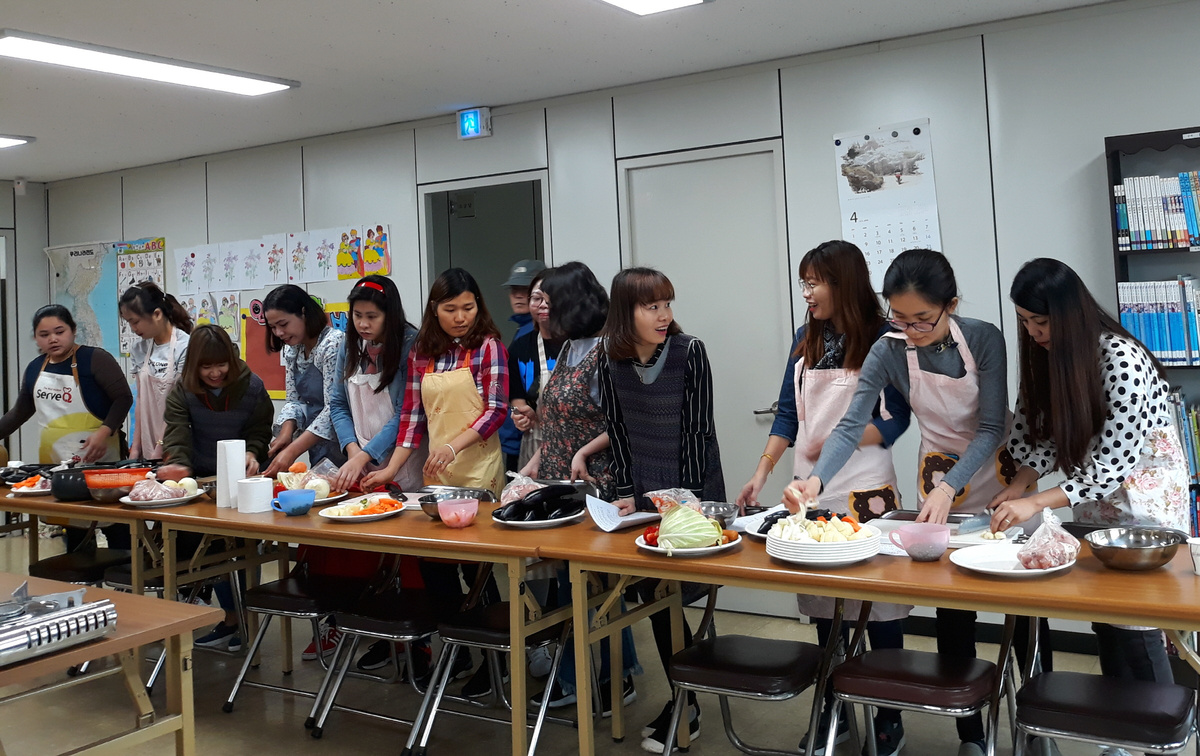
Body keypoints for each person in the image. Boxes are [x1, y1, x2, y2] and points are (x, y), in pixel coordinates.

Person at [787, 249, 1012, 756]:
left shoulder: (982, 338)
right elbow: (851, 425)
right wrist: (816, 481)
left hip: (993, 475)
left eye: (922, 320)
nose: (910, 331)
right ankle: (969, 733)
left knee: (1012, 614)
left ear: (951, 304)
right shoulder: (889, 349)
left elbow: (991, 426)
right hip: (938, 475)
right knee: (952, 607)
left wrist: (951, 486)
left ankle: (999, 730)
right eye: (900, 318)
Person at [990, 259, 1187, 712]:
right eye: (1025, 322)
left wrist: (1036, 502)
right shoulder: (1048, 356)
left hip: (1144, 503)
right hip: (1094, 502)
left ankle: (1162, 727)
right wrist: (1021, 483)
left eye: (1041, 321)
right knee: (1105, 615)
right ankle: (1119, 727)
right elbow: (1037, 434)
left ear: (1069, 314)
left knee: (1137, 623)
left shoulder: (1121, 359)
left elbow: (1112, 465)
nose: (1033, 333)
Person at [738, 241, 911, 756]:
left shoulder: (884, 337)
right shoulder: (805, 338)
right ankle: (835, 710)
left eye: (815, 283)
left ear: (844, 283)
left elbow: (895, 421)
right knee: (824, 609)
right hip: (810, 491)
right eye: (804, 283)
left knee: (880, 611)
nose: (807, 293)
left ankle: (889, 714)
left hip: (866, 489)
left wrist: (839, 441)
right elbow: (787, 416)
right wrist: (761, 471)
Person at [598, 267, 722, 754]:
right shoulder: (610, 359)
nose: (664, 315)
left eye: (667, 304)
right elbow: (618, 429)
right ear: (625, 312)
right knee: (653, 596)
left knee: (673, 595)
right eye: (652, 307)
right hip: (644, 496)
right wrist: (628, 492)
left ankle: (686, 702)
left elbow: (697, 430)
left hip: (691, 491)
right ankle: (684, 699)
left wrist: (685, 500)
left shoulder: (690, 352)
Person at [371, 267, 509, 697]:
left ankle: (497, 661)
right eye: (451, 309)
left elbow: (496, 410)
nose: (461, 317)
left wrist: (452, 446)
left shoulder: (489, 347)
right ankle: (457, 650)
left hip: (478, 472)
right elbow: (412, 417)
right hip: (438, 475)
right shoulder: (422, 353)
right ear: (434, 309)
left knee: (476, 568)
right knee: (435, 567)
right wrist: (390, 469)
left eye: (468, 307)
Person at [521, 262, 641, 714]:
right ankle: (586, 677)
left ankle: (608, 679)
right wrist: (533, 466)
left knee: (598, 587)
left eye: (549, 302)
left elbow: (625, 419)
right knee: (574, 586)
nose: (542, 309)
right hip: (560, 482)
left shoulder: (609, 350)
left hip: (597, 483)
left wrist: (583, 452)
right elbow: (556, 419)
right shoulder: (570, 346)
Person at [322, 275, 425, 670]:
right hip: (361, 463)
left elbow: (406, 414)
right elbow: (337, 403)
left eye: (372, 317)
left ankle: (418, 644)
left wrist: (367, 455)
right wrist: (352, 451)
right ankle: (383, 633)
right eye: (357, 316)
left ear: (390, 315)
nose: (363, 324)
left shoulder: (410, 345)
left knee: (408, 554)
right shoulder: (350, 346)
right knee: (373, 554)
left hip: (403, 460)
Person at [160, 324, 273, 651]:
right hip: (203, 482)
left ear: (231, 360)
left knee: (243, 549)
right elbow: (177, 433)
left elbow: (260, 429)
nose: (214, 373)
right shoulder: (183, 390)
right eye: (206, 367)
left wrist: (253, 452)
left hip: (244, 479)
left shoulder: (252, 386)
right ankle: (231, 617)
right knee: (212, 551)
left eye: (221, 365)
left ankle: (247, 619)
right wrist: (179, 466)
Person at [0, 304, 134, 552]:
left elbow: (123, 398)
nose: (52, 339)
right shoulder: (35, 368)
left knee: (116, 526)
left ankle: (124, 575)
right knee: (74, 529)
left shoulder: (95, 359)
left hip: (100, 461)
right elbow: (19, 412)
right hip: (57, 465)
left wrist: (104, 431)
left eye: (59, 332)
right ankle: (82, 576)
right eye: (44, 334)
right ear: (36, 338)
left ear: (73, 330)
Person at [262, 284, 346, 476]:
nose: (278, 333)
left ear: (304, 313)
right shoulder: (293, 349)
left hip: (344, 443)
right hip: (317, 444)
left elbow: (334, 408)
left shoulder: (333, 343)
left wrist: (293, 450)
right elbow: (294, 400)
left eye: (283, 324)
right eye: (273, 327)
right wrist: (286, 434)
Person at [120, 282, 193, 461]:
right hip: (149, 437)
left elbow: (180, 402)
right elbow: (141, 401)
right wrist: (136, 448)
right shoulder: (139, 349)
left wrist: (160, 447)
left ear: (157, 314)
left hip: (177, 437)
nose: (133, 329)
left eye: (135, 321)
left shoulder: (185, 346)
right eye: (129, 323)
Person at [509, 269, 563, 471]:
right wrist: (520, 415)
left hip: (575, 441)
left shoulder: (577, 344)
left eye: (550, 299)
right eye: (537, 298)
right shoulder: (519, 347)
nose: (543, 305)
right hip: (534, 441)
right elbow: (516, 397)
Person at [498, 258, 546, 471]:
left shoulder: (542, 333)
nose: (518, 295)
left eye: (525, 289)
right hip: (516, 437)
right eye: (514, 289)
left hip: (537, 439)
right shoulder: (521, 333)